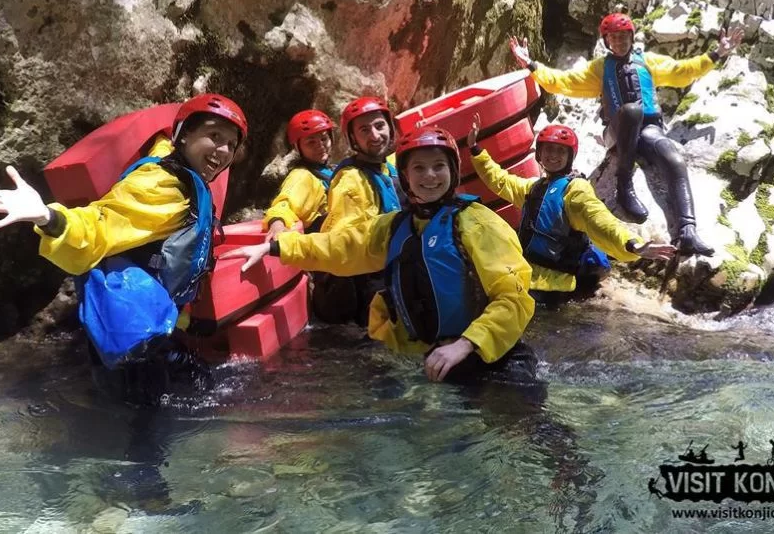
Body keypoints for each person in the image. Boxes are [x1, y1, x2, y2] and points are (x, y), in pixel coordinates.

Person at [0, 93, 248, 403]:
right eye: (214, 136)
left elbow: (159, 270)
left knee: (176, 395)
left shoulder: (184, 178)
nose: (222, 150)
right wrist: (50, 218)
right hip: (133, 334)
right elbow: (99, 224)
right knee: (152, 430)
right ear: (183, 136)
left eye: (231, 145)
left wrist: (188, 322)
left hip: (138, 322)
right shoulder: (160, 186)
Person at [221, 126, 537, 384]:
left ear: (453, 172)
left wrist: (467, 344)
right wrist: (275, 246)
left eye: (439, 166)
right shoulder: (394, 228)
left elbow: (514, 298)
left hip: (491, 355)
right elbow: (339, 248)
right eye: (419, 168)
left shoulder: (478, 221)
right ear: (406, 177)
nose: (430, 176)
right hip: (433, 360)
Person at [509, 14, 745, 256]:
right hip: (616, 132)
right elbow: (563, 81)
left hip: (648, 130)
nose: (619, 41)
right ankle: (624, 185)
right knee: (631, 111)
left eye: (623, 36)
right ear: (607, 41)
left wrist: (717, 53)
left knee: (673, 156)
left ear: (631, 37)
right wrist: (531, 65)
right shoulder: (600, 69)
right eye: (613, 37)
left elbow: (682, 71)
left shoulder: (648, 62)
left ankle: (687, 231)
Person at [468, 114, 676, 307]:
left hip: (556, 288)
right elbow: (500, 181)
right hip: (528, 276)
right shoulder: (534, 188)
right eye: (548, 149)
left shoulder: (575, 190)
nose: (553, 155)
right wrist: (476, 150)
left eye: (560, 151)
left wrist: (632, 244)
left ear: (570, 156)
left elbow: (600, 220)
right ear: (539, 153)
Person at [310, 96, 404, 326]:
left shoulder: (386, 167)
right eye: (364, 130)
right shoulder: (351, 180)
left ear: (390, 128)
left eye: (380, 126)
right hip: (371, 289)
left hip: (391, 275)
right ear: (353, 139)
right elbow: (343, 237)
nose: (374, 135)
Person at [263, 109, 336, 240]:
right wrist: (277, 225)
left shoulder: (332, 170)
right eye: (311, 142)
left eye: (324, 138)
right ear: (297, 147)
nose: (320, 146)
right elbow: (283, 205)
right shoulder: (302, 176)